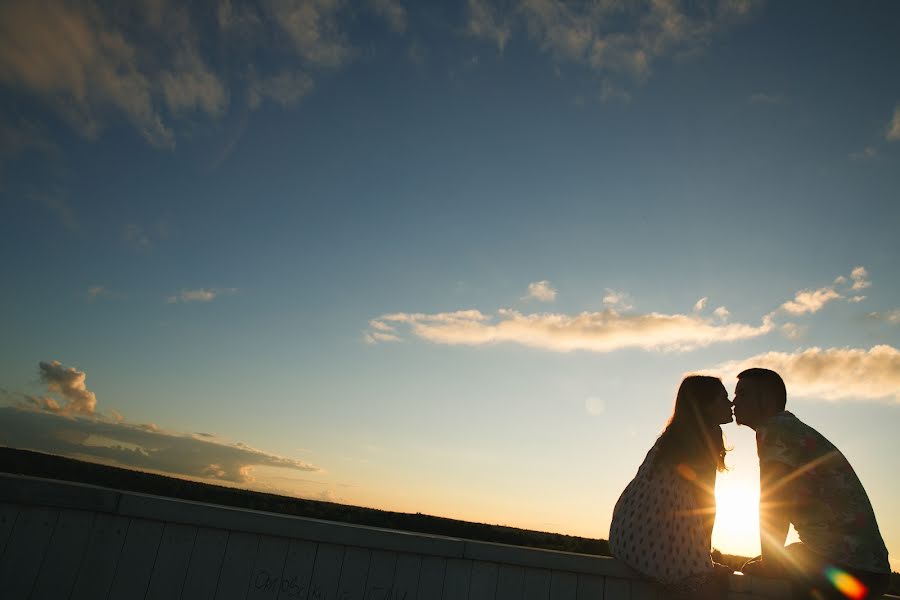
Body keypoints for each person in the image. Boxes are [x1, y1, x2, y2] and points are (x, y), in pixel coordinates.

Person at [733, 368, 890, 599]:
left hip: (851, 570)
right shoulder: (790, 428)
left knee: (755, 572)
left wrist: (770, 563)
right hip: (868, 569)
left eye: (742, 394)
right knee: (774, 561)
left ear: (765, 399)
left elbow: (775, 500)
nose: (734, 401)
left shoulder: (776, 430)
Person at [609, 375, 735, 600]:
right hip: (660, 539)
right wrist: (704, 555)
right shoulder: (706, 437)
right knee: (710, 589)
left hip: (625, 534)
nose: (731, 403)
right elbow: (705, 500)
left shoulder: (671, 437)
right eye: (724, 398)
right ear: (706, 405)